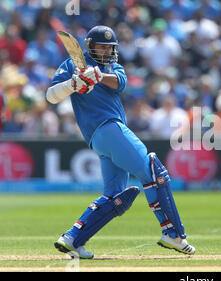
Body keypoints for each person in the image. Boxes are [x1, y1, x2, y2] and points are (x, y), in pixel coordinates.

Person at [46, 26, 195, 259]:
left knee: (116, 197)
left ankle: (73, 239)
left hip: (101, 138)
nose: (106, 51)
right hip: (108, 128)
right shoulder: (70, 65)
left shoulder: (112, 67)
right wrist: (72, 85)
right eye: (101, 46)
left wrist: (98, 76)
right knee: (154, 172)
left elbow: (120, 83)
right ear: (90, 46)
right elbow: (51, 96)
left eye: (109, 47)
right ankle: (173, 233)